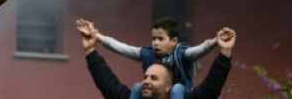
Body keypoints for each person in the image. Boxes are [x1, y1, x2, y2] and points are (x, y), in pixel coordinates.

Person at [77, 21, 236, 99]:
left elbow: (210, 89)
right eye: (145, 76)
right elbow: (108, 84)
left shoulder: (180, 90)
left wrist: (224, 52)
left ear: (168, 87)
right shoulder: (137, 93)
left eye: (153, 78)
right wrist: (90, 49)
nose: (146, 81)